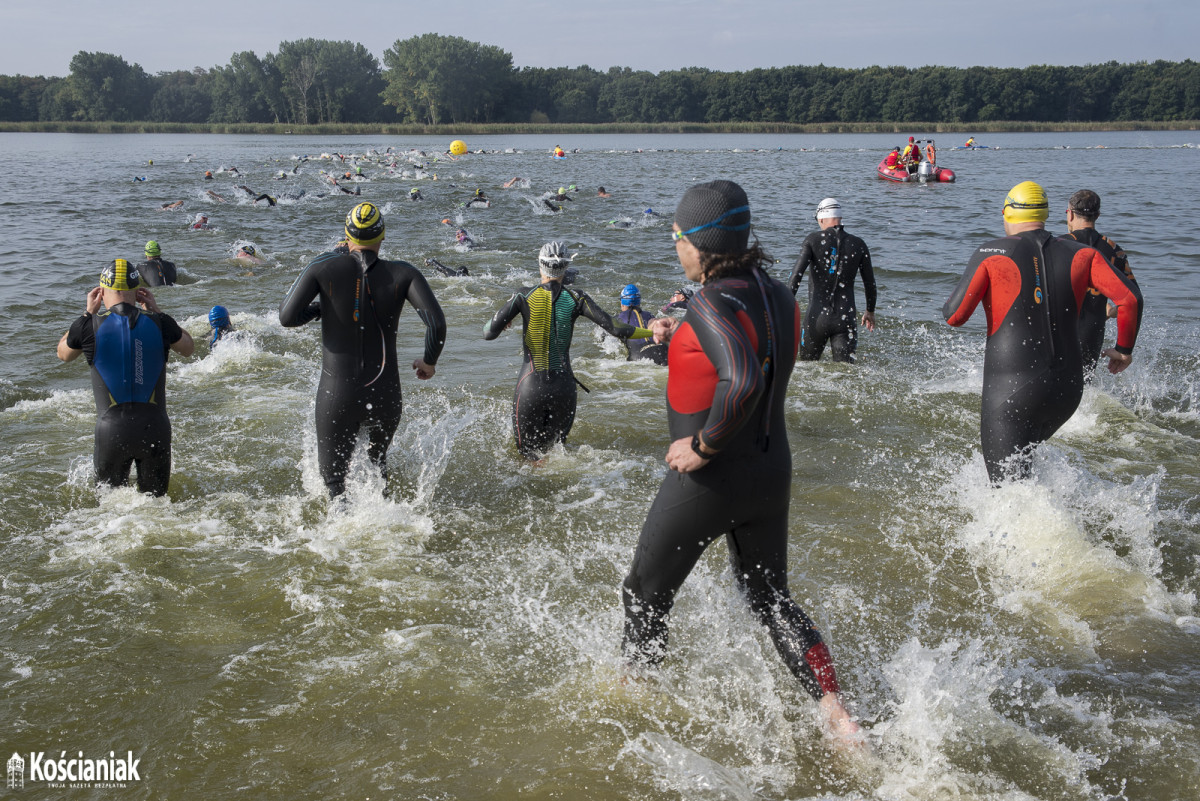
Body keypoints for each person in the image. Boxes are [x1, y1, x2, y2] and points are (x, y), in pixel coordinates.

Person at [620, 180, 860, 744]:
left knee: (643, 592)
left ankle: (635, 697)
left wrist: (701, 446)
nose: (674, 245)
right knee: (771, 598)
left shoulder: (710, 299)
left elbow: (743, 377)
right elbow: (754, 355)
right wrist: (684, 337)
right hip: (771, 471)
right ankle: (837, 715)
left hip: (712, 479)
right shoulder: (776, 293)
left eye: (677, 236)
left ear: (697, 242)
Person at [942, 181, 1143, 484]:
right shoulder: (1083, 254)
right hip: (1068, 391)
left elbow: (955, 316)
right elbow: (1130, 299)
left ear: (1005, 213)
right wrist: (1124, 350)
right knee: (1025, 468)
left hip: (1011, 390)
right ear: (1049, 214)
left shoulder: (991, 252)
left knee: (1008, 490)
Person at [278, 202, 447, 497]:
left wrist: (321, 309)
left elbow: (287, 317)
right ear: (382, 237)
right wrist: (429, 362)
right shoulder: (404, 274)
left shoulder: (323, 266)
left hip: (336, 393)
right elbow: (437, 325)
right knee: (377, 471)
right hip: (385, 393)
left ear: (346, 236)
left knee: (334, 485)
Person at [483, 242, 653, 460]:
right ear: (565, 268)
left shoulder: (523, 296)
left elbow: (488, 332)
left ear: (540, 266)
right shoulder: (577, 298)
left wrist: (505, 320)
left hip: (530, 386)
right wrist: (652, 333)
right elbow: (616, 328)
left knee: (526, 460)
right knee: (557, 457)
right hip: (564, 388)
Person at [55, 259, 194, 495]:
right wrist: (157, 311)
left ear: (101, 291)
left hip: (112, 430)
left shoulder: (89, 326)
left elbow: (63, 354)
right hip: (155, 428)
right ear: (138, 291)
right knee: (157, 509)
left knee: (110, 515)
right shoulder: (160, 323)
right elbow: (188, 347)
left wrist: (87, 313)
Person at [788, 198, 877, 363]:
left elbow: (795, 277)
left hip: (816, 318)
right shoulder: (859, 244)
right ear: (840, 218)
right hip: (846, 318)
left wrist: (783, 308)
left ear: (821, 219)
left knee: (807, 368)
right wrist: (870, 311)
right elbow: (870, 283)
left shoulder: (812, 240)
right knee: (845, 375)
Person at [1063, 189, 1139, 375]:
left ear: (1070, 214)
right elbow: (1133, 299)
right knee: (1082, 388)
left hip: (1061, 329)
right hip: (1092, 332)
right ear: (1097, 215)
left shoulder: (1058, 246)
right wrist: (1113, 312)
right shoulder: (1115, 251)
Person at [616, 284, 667, 365]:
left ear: (622, 304)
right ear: (639, 303)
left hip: (639, 356)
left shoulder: (618, 319)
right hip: (663, 350)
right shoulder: (650, 315)